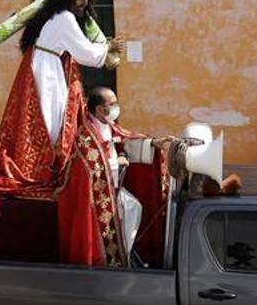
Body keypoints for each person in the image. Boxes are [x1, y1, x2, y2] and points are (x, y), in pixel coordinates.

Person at [0, 0, 125, 199]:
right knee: (48, 122)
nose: (85, 3)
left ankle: (41, 167)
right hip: (47, 73)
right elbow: (85, 53)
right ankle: (39, 171)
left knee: (48, 121)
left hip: (46, 66)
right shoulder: (64, 18)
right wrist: (108, 46)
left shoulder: (54, 14)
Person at [58, 87, 173, 268]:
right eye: (112, 104)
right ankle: (112, 262)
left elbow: (126, 142)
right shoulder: (85, 136)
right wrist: (117, 163)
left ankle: (124, 256)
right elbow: (92, 169)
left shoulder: (108, 126)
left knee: (133, 208)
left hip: (115, 190)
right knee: (129, 210)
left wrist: (153, 143)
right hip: (96, 200)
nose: (116, 107)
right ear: (99, 109)